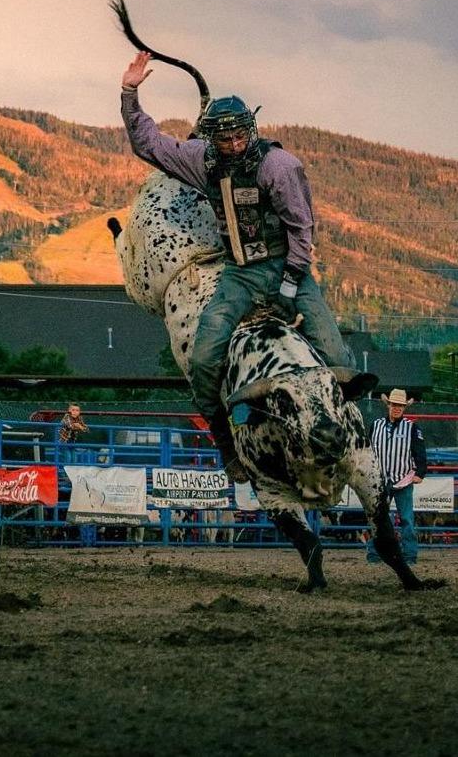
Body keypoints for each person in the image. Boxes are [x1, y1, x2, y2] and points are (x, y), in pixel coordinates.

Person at [120, 50, 353, 480]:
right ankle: (225, 440)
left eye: (239, 135)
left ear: (252, 129)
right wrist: (129, 93)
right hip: (239, 274)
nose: (233, 144)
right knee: (203, 360)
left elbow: (301, 229)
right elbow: (149, 144)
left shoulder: (279, 167)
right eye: (224, 138)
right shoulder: (202, 160)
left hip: (288, 269)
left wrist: (289, 288)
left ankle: (352, 435)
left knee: (337, 355)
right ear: (212, 139)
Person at [365, 388, 428, 565]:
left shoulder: (412, 427)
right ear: (389, 405)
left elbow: (420, 451)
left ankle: (409, 556)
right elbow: (368, 450)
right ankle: (374, 554)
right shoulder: (376, 425)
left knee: (406, 519)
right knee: (377, 519)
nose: (397, 408)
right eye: (394, 405)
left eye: (400, 405)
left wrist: (420, 473)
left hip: (403, 479)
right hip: (380, 480)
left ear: (404, 407)